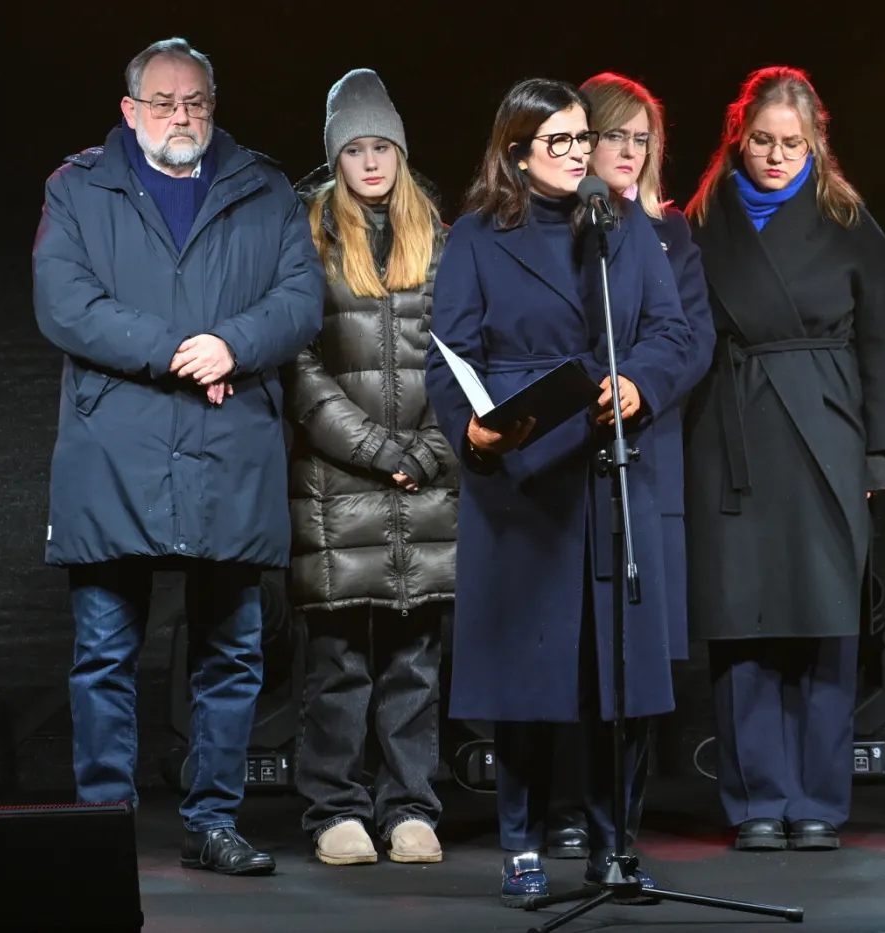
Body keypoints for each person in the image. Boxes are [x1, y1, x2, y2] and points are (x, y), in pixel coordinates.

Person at [31, 37, 324, 875]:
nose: (181, 115)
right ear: (130, 112)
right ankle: (102, 823)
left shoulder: (263, 186)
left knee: (232, 652)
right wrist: (176, 351)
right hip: (115, 446)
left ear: (213, 104)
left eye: (194, 100)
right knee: (104, 651)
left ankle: (214, 820)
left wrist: (231, 344)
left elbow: (301, 299)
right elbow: (63, 302)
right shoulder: (77, 186)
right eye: (163, 102)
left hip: (229, 445)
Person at [424, 78, 702, 906]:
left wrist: (641, 384)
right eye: (564, 142)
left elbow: (674, 332)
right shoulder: (476, 237)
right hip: (522, 474)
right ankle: (520, 843)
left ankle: (616, 845)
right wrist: (471, 430)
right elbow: (449, 355)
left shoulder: (621, 230)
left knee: (617, 672)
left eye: (586, 138)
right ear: (517, 153)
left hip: (612, 469)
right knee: (525, 674)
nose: (584, 154)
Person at [682, 66, 885, 852]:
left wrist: (882, 458)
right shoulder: (702, 220)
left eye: (792, 143)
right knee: (741, 621)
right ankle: (755, 801)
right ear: (737, 138)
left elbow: (884, 341)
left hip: (827, 431)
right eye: (762, 142)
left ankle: (817, 798)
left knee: (825, 622)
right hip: (730, 432)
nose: (776, 156)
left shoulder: (848, 221)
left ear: (816, 141)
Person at [537, 71, 716, 862]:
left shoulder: (670, 232)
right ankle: (565, 806)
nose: (632, 152)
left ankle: (620, 819)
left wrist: (638, 385)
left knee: (633, 654)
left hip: (643, 459)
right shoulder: (548, 227)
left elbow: (692, 338)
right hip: (561, 459)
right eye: (618, 136)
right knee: (569, 643)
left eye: (645, 140)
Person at [285, 69, 458, 868]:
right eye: (353, 149)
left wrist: (430, 447)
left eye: (381, 146)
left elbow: (466, 352)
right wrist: (375, 449)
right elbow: (298, 365)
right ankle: (335, 807)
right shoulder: (307, 232)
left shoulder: (440, 235)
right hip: (338, 484)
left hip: (426, 477)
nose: (370, 162)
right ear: (336, 157)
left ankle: (412, 805)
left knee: (416, 656)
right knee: (339, 658)